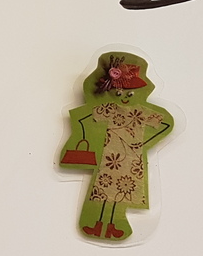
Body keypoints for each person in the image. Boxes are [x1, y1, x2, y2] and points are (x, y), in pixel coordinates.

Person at [60, 52, 174, 240]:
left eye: (130, 93)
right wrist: (82, 133)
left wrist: (146, 143)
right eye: (119, 93)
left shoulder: (142, 112)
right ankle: (97, 224)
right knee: (103, 191)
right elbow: (85, 115)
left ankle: (113, 225)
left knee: (121, 193)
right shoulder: (110, 108)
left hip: (131, 160)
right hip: (109, 156)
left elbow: (167, 123)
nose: (125, 98)